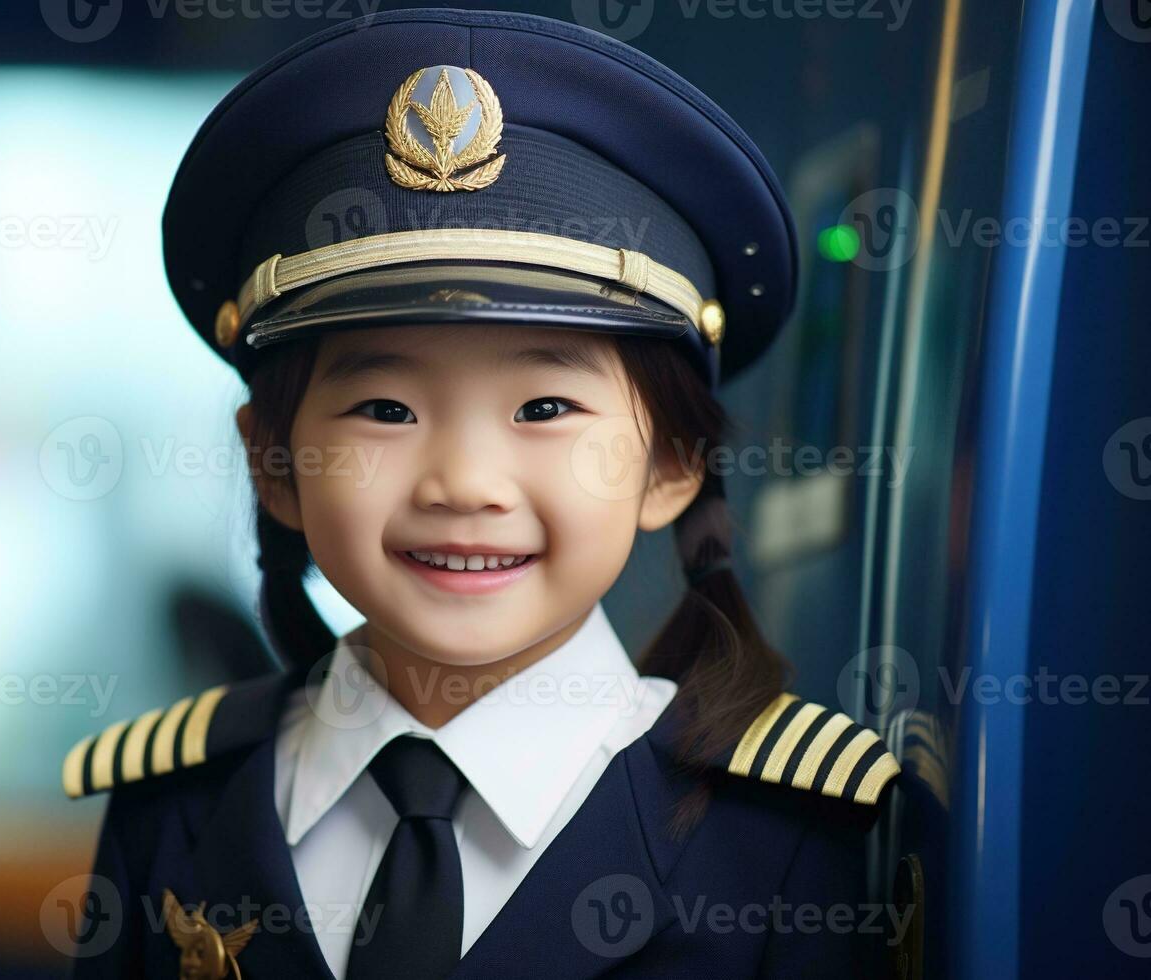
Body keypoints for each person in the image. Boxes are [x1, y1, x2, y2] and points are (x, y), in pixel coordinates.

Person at [61, 9, 900, 978]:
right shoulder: (172, 805)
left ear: (673, 462)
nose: (463, 482)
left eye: (544, 404)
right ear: (275, 464)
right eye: (383, 407)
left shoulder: (783, 841)